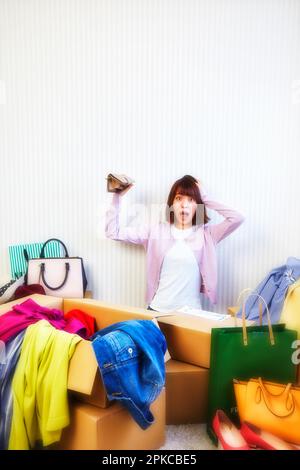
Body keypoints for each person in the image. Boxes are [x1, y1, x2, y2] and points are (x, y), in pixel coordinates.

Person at [105, 174, 245, 313]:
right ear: (172, 204)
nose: (184, 205)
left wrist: (205, 198)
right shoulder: (154, 231)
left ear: (198, 205)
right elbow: (113, 232)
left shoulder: (207, 235)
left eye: (191, 200)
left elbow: (237, 218)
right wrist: (117, 196)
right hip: (157, 311)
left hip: (192, 314)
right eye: (179, 199)